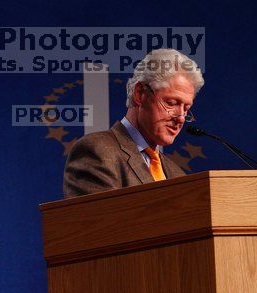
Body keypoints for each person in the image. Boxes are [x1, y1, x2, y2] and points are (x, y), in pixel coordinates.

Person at [63, 48, 204, 198]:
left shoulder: (177, 175)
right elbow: (99, 221)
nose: (181, 118)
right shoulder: (98, 151)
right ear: (140, 94)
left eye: (186, 109)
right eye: (171, 103)